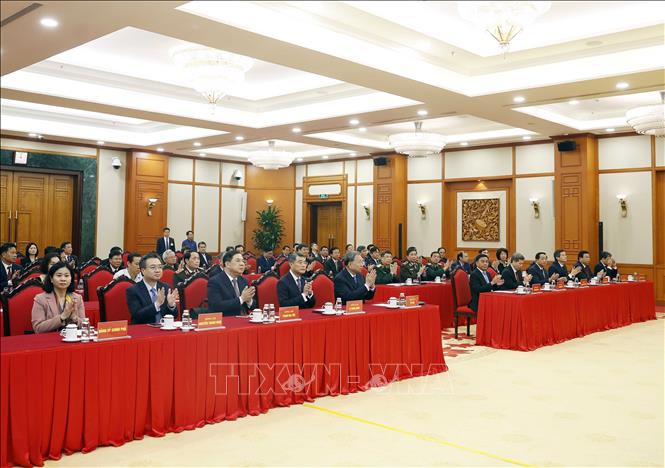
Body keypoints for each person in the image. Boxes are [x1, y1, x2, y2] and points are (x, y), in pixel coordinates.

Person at [31, 262, 85, 333]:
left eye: (66, 276)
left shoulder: (77, 298)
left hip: (72, 337)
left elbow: (84, 325)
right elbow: (37, 328)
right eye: (59, 275)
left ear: (71, 279)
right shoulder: (40, 299)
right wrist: (62, 317)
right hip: (50, 339)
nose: (63, 279)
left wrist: (75, 318)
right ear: (51, 279)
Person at [126, 253, 179, 324]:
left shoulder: (165, 287)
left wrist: (171, 305)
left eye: (160, 267)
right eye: (153, 267)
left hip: (163, 328)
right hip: (144, 328)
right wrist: (157, 304)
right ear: (143, 270)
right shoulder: (133, 290)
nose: (157, 270)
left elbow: (174, 315)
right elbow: (137, 316)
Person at [207, 250, 257, 315]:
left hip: (244, 318)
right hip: (226, 319)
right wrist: (241, 299)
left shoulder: (243, 280)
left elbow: (253, 306)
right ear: (227, 264)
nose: (242, 264)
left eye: (243, 261)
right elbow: (216, 306)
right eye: (238, 261)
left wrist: (249, 301)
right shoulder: (215, 281)